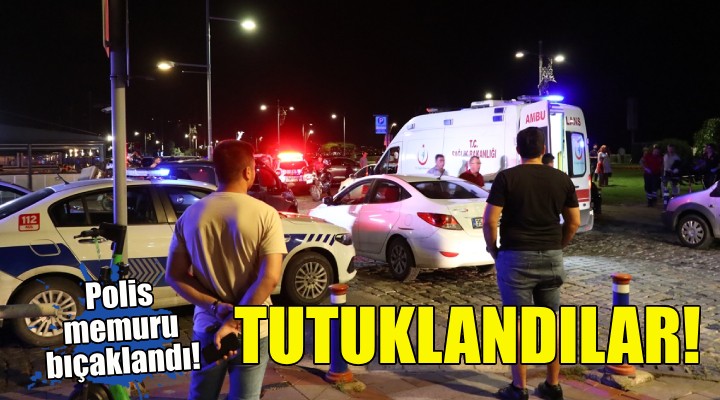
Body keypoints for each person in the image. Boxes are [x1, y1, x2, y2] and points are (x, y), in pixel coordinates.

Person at [165, 140, 287, 400]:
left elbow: (174, 275)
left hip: (208, 326)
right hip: (254, 326)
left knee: (202, 395)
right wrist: (234, 321)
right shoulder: (266, 214)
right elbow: (270, 278)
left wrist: (216, 307)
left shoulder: (191, 215)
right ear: (248, 171)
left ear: (216, 172)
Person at [482, 127, 580, 400]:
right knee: (551, 321)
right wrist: (558, 245)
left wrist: (493, 249)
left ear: (518, 150)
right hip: (551, 256)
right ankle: (553, 385)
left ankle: (519, 387)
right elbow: (573, 222)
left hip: (515, 257)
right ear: (543, 149)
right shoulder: (561, 179)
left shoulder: (507, 178)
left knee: (517, 323)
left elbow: (490, 220)